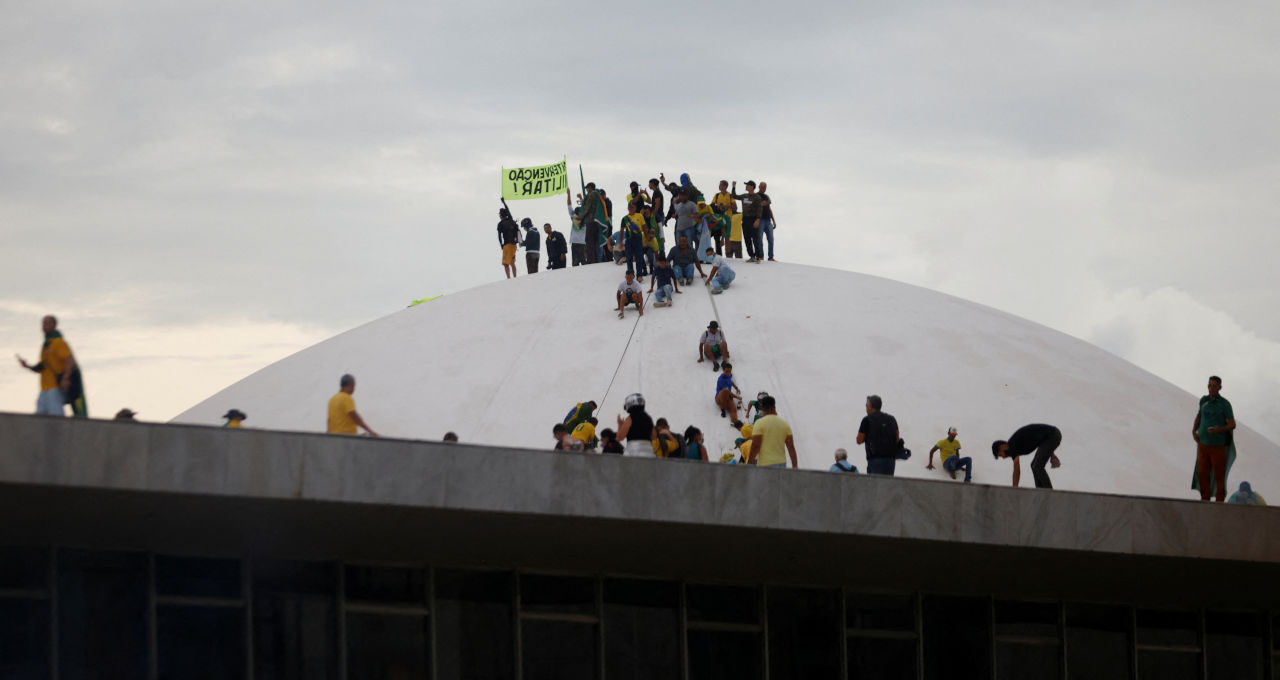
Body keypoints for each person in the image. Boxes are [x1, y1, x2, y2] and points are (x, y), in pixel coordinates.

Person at [16, 315, 85, 417]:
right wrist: (28, 366)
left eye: (46, 323)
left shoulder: (59, 342)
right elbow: (43, 366)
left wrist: (66, 378)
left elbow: (69, 361)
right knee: (39, 419)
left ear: (54, 325)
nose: (43, 326)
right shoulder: (46, 345)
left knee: (56, 417)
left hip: (55, 388)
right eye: (43, 323)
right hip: (44, 389)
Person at [1193, 375, 1235, 502]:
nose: (1210, 388)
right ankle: (1205, 500)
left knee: (1218, 475)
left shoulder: (1224, 404)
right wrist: (1193, 431)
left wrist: (1219, 429)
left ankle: (1219, 501)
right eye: (1209, 385)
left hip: (1218, 446)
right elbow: (1199, 416)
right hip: (1203, 444)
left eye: (1214, 386)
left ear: (1220, 387)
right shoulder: (1204, 400)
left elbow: (1232, 424)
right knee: (1202, 473)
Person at [992, 424, 1063, 489]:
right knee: (1033, 465)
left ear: (1001, 447)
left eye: (1001, 455)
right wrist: (1052, 454)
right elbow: (1041, 438)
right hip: (1049, 437)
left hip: (1053, 435)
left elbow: (1016, 470)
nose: (1004, 457)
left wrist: (1013, 490)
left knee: (1037, 466)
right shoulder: (1013, 445)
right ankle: (1041, 491)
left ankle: (1049, 492)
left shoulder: (1013, 445)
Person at [748, 395, 797, 469]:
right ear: (774, 407)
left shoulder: (759, 423)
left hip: (765, 464)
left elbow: (755, 446)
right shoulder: (785, 424)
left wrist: (750, 463)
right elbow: (791, 447)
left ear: (763, 408)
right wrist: (795, 466)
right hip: (781, 464)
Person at [857, 394, 900, 476]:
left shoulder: (866, 420)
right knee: (887, 486)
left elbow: (859, 440)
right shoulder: (891, 419)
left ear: (870, 406)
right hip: (890, 461)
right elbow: (897, 438)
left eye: (866, 405)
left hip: (875, 460)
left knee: (874, 487)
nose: (866, 407)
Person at [731, 180, 762, 262]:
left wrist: (758, 220)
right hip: (745, 220)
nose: (746, 186)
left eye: (747, 185)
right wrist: (733, 187)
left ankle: (758, 257)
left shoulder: (757, 197)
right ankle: (752, 256)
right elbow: (734, 196)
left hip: (753, 219)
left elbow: (759, 209)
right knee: (747, 239)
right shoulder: (744, 196)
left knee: (755, 239)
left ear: (752, 187)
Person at [620, 202, 648, 278]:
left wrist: (647, 238)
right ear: (628, 209)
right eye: (630, 208)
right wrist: (620, 242)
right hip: (629, 240)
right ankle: (630, 275)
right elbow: (622, 231)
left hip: (638, 239)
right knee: (629, 258)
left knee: (639, 257)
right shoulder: (624, 218)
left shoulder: (640, 216)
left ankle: (639, 275)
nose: (631, 209)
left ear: (635, 208)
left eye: (632, 208)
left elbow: (644, 227)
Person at [714, 362, 745, 429]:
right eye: (726, 371)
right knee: (725, 391)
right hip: (719, 398)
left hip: (728, 398)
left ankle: (735, 421)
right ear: (723, 370)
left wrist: (736, 388)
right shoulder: (721, 379)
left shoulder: (729, 375)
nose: (728, 373)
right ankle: (722, 409)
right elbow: (727, 392)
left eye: (730, 371)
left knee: (733, 409)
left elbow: (730, 381)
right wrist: (737, 397)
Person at [497, 209, 520, 279]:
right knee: (512, 262)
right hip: (514, 245)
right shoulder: (511, 221)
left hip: (507, 245)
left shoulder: (501, 224)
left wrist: (501, 245)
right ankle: (515, 277)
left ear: (501, 215)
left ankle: (509, 278)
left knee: (505, 264)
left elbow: (499, 236)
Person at [757, 180, 775, 261]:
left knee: (771, 239)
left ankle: (771, 257)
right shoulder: (756, 196)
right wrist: (761, 203)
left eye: (765, 187)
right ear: (759, 187)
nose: (764, 188)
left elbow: (769, 208)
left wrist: (774, 220)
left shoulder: (767, 196)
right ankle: (761, 256)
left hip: (768, 220)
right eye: (762, 187)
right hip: (760, 220)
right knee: (759, 239)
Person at [568, 190, 587, 266]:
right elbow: (569, 205)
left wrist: (569, 194)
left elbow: (569, 205)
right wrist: (580, 198)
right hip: (579, 243)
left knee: (582, 263)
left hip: (580, 243)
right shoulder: (582, 217)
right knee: (578, 263)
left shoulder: (575, 217)